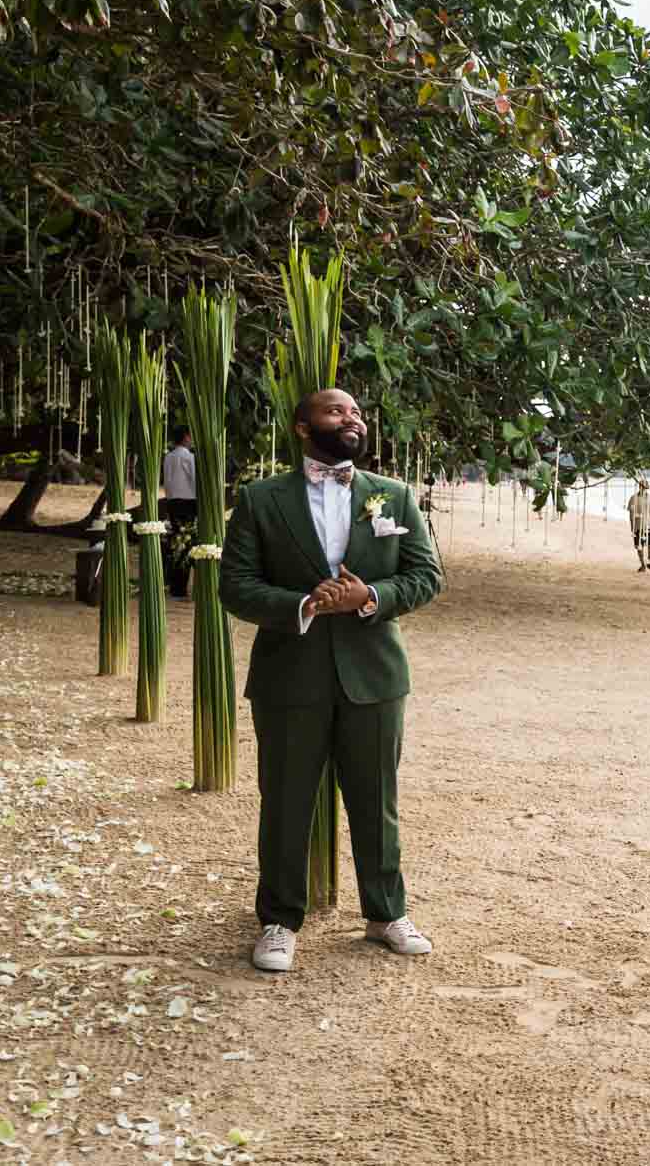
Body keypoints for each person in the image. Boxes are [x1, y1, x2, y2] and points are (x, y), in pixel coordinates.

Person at [219, 388, 444, 973]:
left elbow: (426, 576)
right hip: (288, 675)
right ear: (302, 428)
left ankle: (386, 913)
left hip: (375, 676)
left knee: (377, 801)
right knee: (286, 801)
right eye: (335, 411)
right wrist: (305, 604)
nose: (352, 419)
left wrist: (370, 595)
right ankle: (278, 921)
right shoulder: (260, 499)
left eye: (357, 413)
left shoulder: (392, 497)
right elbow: (235, 586)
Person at [161, 425, 197, 598]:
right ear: (185, 437)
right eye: (190, 437)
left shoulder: (168, 457)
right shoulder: (188, 457)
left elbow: (167, 481)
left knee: (176, 541)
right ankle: (180, 586)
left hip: (173, 502)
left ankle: (175, 585)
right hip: (188, 502)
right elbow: (195, 480)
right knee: (186, 543)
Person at [626, 479, 650, 572]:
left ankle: (649, 562)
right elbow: (631, 514)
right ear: (639, 487)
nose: (644, 489)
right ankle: (642, 564)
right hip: (638, 525)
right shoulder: (633, 498)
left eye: (645, 488)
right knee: (639, 546)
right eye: (642, 487)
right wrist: (632, 527)